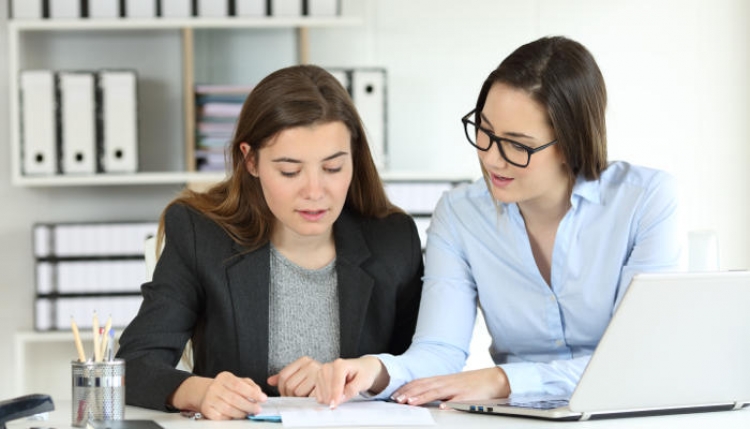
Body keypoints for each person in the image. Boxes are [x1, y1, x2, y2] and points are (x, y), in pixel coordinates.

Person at [315, 36, 684, 408]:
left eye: (517, 145)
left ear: (571, 143)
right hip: (520, 417)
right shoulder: (460, 214)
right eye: (485, 132)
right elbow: (440, 348)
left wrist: (503, 379)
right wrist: (375, 370)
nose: (492, 159)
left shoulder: (645, 200)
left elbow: (638, 360)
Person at [116, 64, 424, 419]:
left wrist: (358, 381)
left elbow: (424, 368)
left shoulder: (392, 239)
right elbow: (134, 366)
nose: (314, 192)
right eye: (290, 171)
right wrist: (198, 391)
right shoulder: (202, 234)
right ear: (251, 160)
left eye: (333, 168)